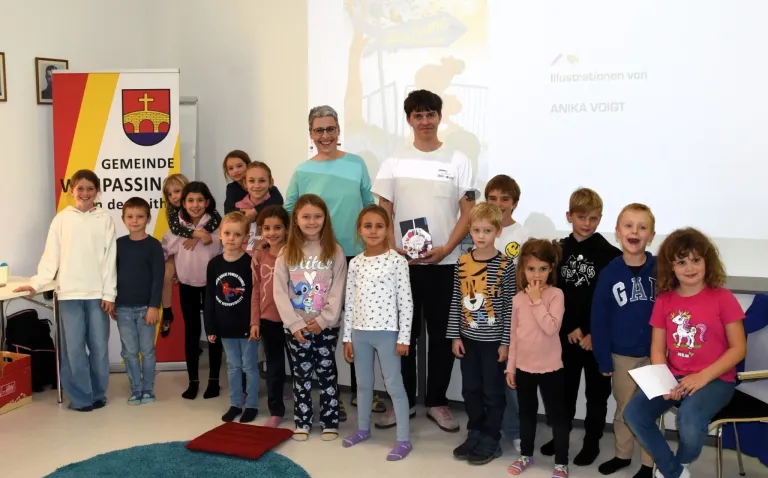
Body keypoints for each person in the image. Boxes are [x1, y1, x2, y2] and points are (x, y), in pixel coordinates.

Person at [373, 89, 476, 432]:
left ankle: (437, 402)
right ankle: (401, 402)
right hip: (403, 266)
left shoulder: (458, 159)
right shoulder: (394, 161)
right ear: (409, 120)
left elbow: (468, 212)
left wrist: (446, 249)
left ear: (439, 117)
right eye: (418, 115)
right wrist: (393, 247)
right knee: (404, 336)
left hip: (446, 265)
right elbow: (384, 211)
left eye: (431, 114)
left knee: (443, 338)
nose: (425, 121)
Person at [625, 228, 747, 478]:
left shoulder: (723, 298)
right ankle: (674, 471)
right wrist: (664, 381)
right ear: (671, 267)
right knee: (634, 413)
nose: (689, 267)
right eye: (681, 262)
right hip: (675, 377)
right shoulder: (665, 300)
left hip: (716, 380)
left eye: (696, 260)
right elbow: (657, 348)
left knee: (689, 420)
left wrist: (702, 377)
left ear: (707, 261)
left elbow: (739, 348)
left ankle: (679, 464)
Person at [285, 105, 377, 420]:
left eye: (330, 129)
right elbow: (290, 210)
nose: (325, 135)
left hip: (356, 255)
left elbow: (368, 205)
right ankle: (328, 397)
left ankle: (362, 393)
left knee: (357, 326)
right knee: (324, 329)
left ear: (339, 130)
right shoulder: (302, 171)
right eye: (319, 130)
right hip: (316, 261)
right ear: (311, 134)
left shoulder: (356, 164)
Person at [15, 169, 116, 412]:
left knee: (99, 348)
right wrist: (36, 283)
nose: (85, 193)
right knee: (73, 350)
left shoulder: (105, 219)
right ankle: (81, 398)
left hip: (97, 295)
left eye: (90, 188)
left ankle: (98, 394)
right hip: (69, 294)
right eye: (80, 188)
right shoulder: (62, 219)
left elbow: (110, 259)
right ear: (71, 190)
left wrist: (109, 294)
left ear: (97, 192)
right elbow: (51, 257)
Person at [540, 188, 621, 465]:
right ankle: (560, 436)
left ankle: (591, 442)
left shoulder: (610, 254)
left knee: (597, 395)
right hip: (565, 337)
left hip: (596, 339)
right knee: (563, 392)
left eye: (593, 218)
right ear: (569, 216)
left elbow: (610, 300)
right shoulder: (557, 251)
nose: (587, 223)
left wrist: (593, 333)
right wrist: (569, 327)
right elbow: (552, 294)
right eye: (581, 217)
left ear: (601, 219)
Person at [341, 205, 414, 461]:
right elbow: (350, 302)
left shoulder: (397, 261)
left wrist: (404, 337)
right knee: (363, 385)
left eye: (379, 226)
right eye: (367, 226)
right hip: (359, 333)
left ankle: (403, 440)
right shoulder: (356, 263)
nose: (373, 231)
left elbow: (406, 302)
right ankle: (362, 429)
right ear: (359, 230)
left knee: (394, 385)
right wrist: (347, 337)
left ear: (387, 229)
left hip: (387, 333)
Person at [273, 194, 347, 441]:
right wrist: (294, 324)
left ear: (325, 218)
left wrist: (324, 320)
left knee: (327, 373)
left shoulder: (335, 251)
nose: (312, 221)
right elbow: (279, 292)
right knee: (301, 375)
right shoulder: (286, 252)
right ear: (296, 219)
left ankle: (329, 421)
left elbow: (338, 290)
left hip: (326, 327)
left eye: (317, 216)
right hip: (296, 329)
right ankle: (302, 421)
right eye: (306, 216)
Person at [591, 204, 657, 478]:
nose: (635, 232)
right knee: (625, 409)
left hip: (656, 355)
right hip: (622, 356)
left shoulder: (661, 269)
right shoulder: (610, 272)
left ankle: (649, 463)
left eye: (642, 227)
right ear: (618, 232)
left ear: (651, 235)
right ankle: (622, 455)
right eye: (629, 226)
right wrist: (603, 357)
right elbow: (599, 318)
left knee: (650, 410)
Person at [447, 203, 515, 465]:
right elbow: (457, 300)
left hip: (494, 343)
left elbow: (509, 308)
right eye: (476, 230)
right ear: (470, 231)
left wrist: (505, 343)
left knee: (493, 391)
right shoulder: (462, 262)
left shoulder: (506, 265)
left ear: (498, 231)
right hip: (468, 340)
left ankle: (491, 436)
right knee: (471, 389)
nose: (481, 235)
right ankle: (475, 431)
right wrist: (455, 336)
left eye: (487, 230)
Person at [506, 239, 569, 477]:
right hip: (524, 368)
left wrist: (536, 301)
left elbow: (551, 327)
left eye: (543, 269)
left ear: (551, 268)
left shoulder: (556, 295)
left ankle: (561, 462)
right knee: (526, 413)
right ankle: (526, 455)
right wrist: (511, 367)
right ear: (523, 269)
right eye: (531, 269)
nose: (537, 275)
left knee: (557, 416)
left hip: (551, 368)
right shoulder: (517, 299)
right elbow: (514, 336)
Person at [162, 181, 223, 400]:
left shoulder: (217, 226)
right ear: (183, 203)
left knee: (213, 333)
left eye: (199, 200)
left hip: (213, 287)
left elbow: (227, 250)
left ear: (207, 202)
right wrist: (171, 267)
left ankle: (214, 381)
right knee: (192, 332)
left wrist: (206, 236)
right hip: (187, 286)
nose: (195, 205)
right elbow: (164, 252)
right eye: (190, 200)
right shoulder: (176, 229)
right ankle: (193, 382)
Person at [485, 174, 529, 452]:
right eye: (492, 198)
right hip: (483, 319)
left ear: (515, 203)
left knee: (511, 376)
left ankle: (515, 429)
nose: (498, 203)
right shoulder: (478, 230)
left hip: (511, 318)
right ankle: (490, 426)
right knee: (488, 377)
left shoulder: (522, 235)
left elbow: (526, 278)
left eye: (505, 199)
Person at [205, 212, 259, 423]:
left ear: (246, 237)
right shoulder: (214, 264)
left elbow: (256, 296)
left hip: (246, 326)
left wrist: (255, 323)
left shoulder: (250, 263)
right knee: (233, 366)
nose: (231, 238)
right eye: (227, 233)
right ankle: (235, 403)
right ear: (220, 234)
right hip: (224, 326)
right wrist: (210, 327)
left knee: (249, 367)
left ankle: (251, 405)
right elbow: (210, 297)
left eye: (237, 234)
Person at [114, 197, 164, 405]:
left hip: (146, 308)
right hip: (123, 308)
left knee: (147, 351)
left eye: (140, 216)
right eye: (130, 217)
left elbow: (158, 279)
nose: (135, 221)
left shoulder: (153, 245)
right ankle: (135, 389)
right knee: (130, 352)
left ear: (148, 219)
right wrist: (112, 301)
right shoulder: (118, 245)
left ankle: (148, 389)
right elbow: (111, 276)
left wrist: (153, 306)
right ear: (123, 219)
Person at [160, 173, 222, 337]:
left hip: (201, 267)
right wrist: (197, 235)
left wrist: (199, 235)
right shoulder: (173, 212)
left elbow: (216, 220)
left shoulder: (206, 211)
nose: (174, 197)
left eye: (177, 191)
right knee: (167, 275)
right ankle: (167, 312)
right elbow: (176, 230)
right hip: (177, 252)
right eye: (169, 194)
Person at [251, 205, 291, 427]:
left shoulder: (295, 253)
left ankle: (303, 409)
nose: (272, 232)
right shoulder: (259, 255)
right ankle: (276, 410)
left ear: (287, 228)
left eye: (277, 227)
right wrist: (254, 320)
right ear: (260, 230)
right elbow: (256, 290)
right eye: (267, 228)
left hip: (294, 320)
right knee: (274, 367)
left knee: (299, 366)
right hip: (268, 319)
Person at [235, 162, 284, 255]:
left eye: (262, 181)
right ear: (245, 183)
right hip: (241, 257)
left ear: (271, 182)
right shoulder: (238, 207)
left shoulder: (278, 209)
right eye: (251, 181)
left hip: (269, 258)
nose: (257, 186)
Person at [222, 150, 251, 214]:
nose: (235, 171)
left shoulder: (258, 183)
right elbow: (228, 211)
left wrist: (255, 211)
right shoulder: (231, 188)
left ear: (248, 165)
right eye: (231, 168)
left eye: (239, 166)